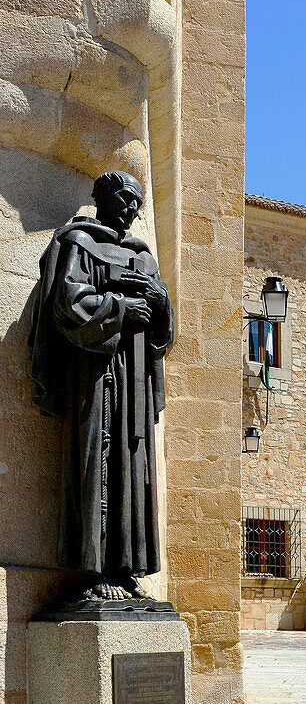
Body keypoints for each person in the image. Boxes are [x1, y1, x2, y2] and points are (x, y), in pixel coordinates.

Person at [28, 170, 174, 602]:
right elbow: (66, 304)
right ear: (103, 197)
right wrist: (119, 307)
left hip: (134, 383)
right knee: (95, 462)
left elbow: (163, 337)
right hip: (94, 375)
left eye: (138, 204)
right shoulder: (79, 243)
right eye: (126, 198)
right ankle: (92, 572)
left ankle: (126, 569)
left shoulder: (143, 256)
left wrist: (161, 301)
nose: (132, 209)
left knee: (134, 468)